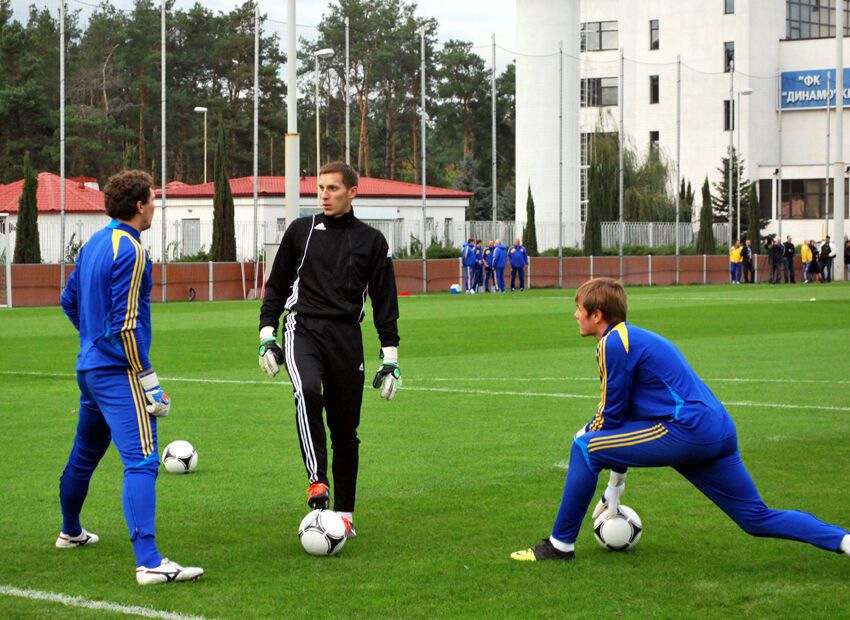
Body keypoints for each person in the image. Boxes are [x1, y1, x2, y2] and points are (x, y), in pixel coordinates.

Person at [511, 277, 850, 562]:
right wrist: (614, 489)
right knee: (755, 518)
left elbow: (611, 416)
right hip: (717, 429)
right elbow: (626, 420)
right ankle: (844, 541)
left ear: (597, 315)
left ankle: (560, 546)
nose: (575, 315)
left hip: (685, 431)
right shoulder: (633, 338)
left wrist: (586, 435)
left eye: (579, 310)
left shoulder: (612, 343)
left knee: (585, 447)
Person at [59, 170, 203, 585]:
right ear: (140, 205)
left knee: (84, 456)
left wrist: (90, 340)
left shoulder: (94, 243)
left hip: (90, 370)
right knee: (141, 461)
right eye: (153, 200)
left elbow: (69, 300)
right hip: (118, 373)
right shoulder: (133, 249)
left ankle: (71, 532)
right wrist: (148, 378)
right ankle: (150, 562)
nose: (155, 206)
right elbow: (125, 326)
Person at [258, 162, 401, 538]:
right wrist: (266, 335)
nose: (324, 194)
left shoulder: (372, 241)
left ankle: (345, 516)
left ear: (353, 191)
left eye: (333, 188)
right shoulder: (300, 232)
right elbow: (276, 286)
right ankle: (317, 481)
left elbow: (385, 301)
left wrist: (391, 360)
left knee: (345, 432)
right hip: (301, 327)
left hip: (346, 337)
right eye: (320, 187)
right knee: (306, 390)